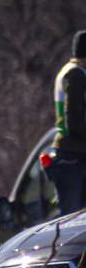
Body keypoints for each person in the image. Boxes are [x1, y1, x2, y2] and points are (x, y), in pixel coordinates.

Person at [52, 29, 86, 216]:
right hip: (73, 157)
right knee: (71, 222)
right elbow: (73, 121)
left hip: (71, 155)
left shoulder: (70, 71)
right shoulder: (77, 75)